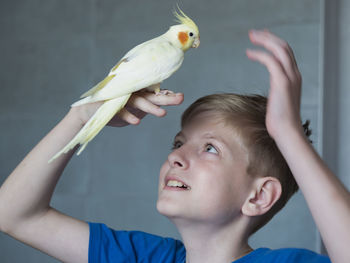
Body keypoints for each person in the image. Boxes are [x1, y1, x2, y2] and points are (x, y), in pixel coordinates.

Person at [0, 29, 349, 263]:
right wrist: (81, 118)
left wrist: (288, 135)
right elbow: (14, 214)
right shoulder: (142, 256)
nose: (176, 156)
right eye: (179, 142)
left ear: (258, 197)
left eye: (210, 148)